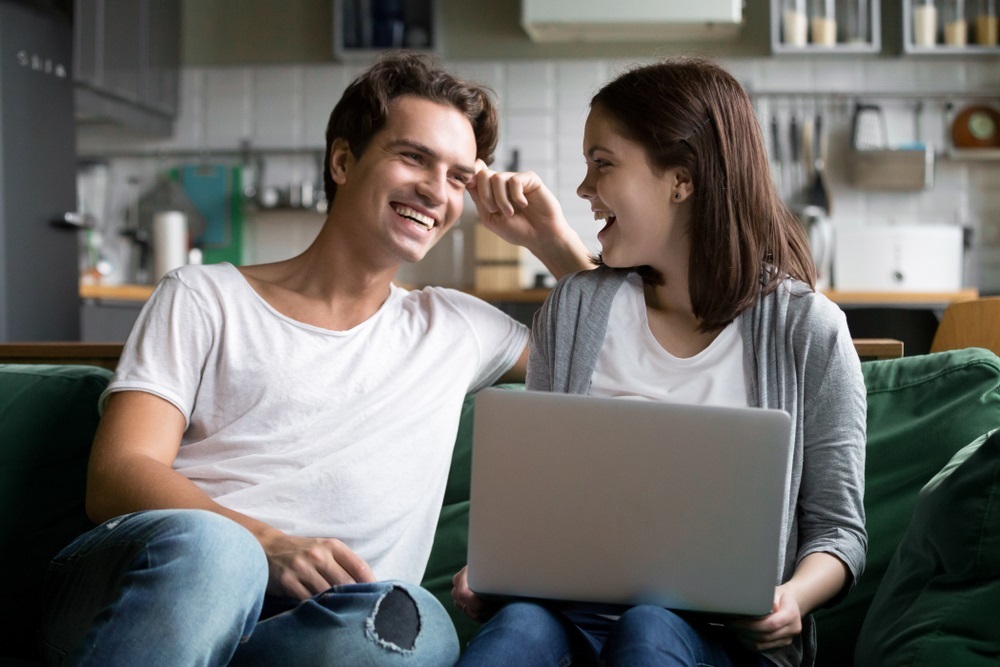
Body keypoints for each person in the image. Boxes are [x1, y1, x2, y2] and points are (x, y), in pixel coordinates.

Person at [39, 52, 592, 667]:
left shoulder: (458, 327)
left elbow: (614, 352)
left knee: (412, 624)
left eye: (459, 177)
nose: (436, 190)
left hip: (316, 628)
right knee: (220, 555)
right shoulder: (205, 296)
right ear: (343, 160)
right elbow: (117, 473)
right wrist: (265, 544)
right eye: (413, 157)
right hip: (158, 583)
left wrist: (552, 240)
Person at [452, 57, 867, 667]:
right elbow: (542, 499)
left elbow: (840, 532)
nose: (584, 190)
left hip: (720, 641)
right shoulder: (574, 309)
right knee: (516, 632)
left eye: (603, 164)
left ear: (682, 179)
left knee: (649, 627)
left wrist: (790, 600)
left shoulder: (809, 330)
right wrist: (499, 564)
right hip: (567, 619)